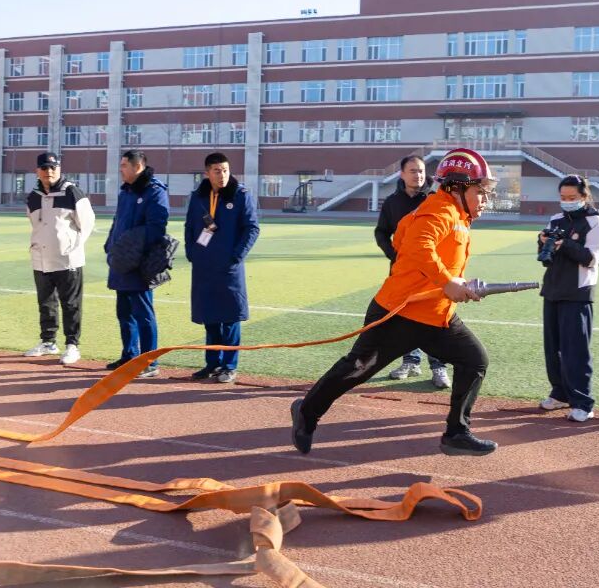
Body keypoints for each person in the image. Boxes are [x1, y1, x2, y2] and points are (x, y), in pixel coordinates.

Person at [291, 148, 497, 457]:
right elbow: (417, 245)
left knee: (474, 360)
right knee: (357, 369)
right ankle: (307, 412)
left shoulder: (456, 216)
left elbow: (402, 239)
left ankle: (456, 433)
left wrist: (452, 284)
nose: (484, 199)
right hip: (399, 312)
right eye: (480, 191)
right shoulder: (439, 211)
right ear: (457, 187)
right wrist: (446, 281)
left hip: (436, 315)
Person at [537, 175, 599, 422]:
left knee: (575, 351)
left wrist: (565, 243)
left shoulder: (596, 222)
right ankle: (559, 393)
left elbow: (591, 259)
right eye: (563, 197)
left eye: (572, 198)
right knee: (553, 349)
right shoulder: (556, 219)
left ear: (584, 196)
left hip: (578, 293)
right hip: (553, 289)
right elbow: (545, 257)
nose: (567, 202)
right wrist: (543, 242)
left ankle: (583, 403)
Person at [184, 152, 260, 384]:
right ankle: (212, 363)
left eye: (225, 170)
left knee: (230, 317)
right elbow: (190, 226)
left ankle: (229, 366)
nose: (222, 175)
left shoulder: (240, 195)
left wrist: (236, 256)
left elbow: (252, 228)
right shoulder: (198, 197)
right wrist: (191, 252)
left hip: (228, 267)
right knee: (210, 317)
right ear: (207, 173)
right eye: (217, 171)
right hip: (204, 265)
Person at [377, 156, 451, 389]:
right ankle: (410, 362)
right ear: (402, 174)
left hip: (432, 271)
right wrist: (394, 255)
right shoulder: (392, 202)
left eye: (420, 171)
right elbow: (381, 232)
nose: (418, 175)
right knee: (405, 316)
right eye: (412, 171)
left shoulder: (435, 199)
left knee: (434, 317)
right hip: (403, 272)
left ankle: (438, 366)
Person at [23, 152, 96, 366]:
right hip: (41, 258)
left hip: (68, 259)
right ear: (37, 171)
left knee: (71, 304)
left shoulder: (72, 192)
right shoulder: (33, 196)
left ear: (59, 169)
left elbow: (87, 223)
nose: (49, 171)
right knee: (46, 303)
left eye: (53, 167)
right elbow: (35, 224)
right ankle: (48, 342)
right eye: (44, 168)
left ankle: (72, 345)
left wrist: (72, 246)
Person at [104, 150, 169, 379]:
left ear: (137, 166)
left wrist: (129, 245)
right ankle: (129, 356)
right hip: (121, 261)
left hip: (140, 263)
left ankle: (149, 362)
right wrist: (110, 245)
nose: (121, 169)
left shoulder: (155, 191)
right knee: (124, 312)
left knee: (143, 313)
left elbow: (157, 227)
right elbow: (117, 221)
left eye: (124, 165)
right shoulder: (126, 191)